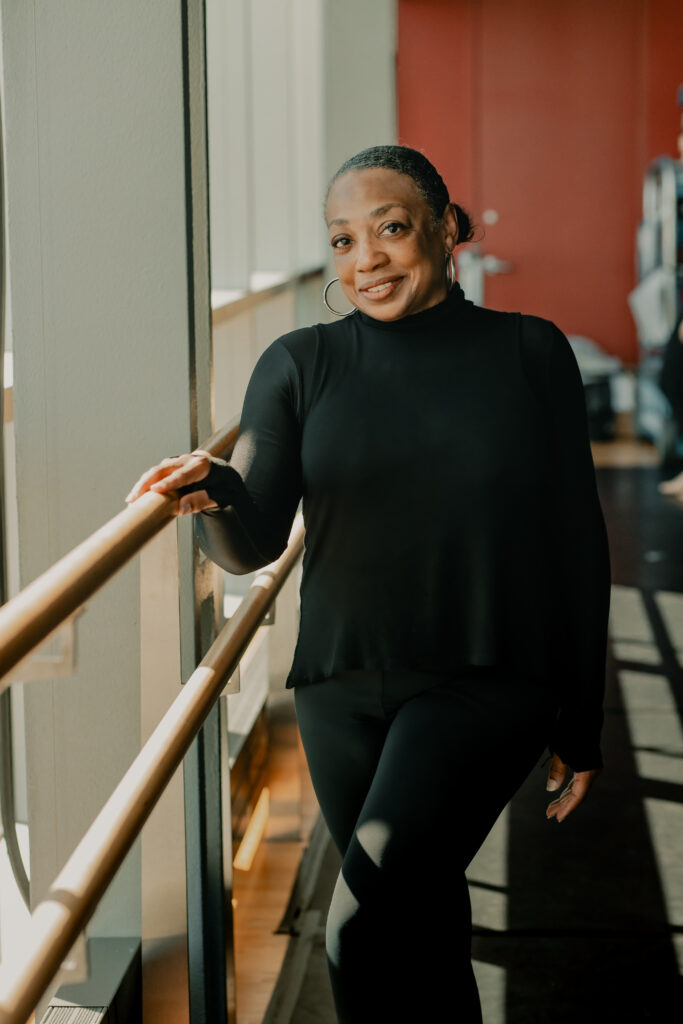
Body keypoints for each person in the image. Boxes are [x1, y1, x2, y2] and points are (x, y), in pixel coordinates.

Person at [125, 145, 611, 1022]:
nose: (365, 260)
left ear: (447, 229)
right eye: (342, 241)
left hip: (485, 680)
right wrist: (210, 490)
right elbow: (253, 544)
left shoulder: (528, 351)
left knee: (360, 930)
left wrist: (582, 719)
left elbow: (576, 541)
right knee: (420, 922)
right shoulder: (298, 362)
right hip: (338, 688)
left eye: (389, 229)